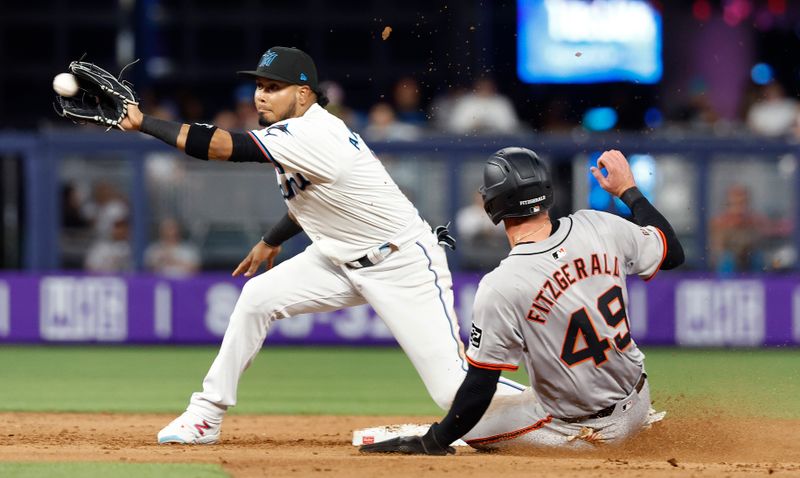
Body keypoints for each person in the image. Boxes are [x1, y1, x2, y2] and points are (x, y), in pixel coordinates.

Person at [117, 46, 530, 444]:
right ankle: (206, 415)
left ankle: (554, 408)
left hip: (400, 263)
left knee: (452, 388)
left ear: (303, 94)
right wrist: (269, 240)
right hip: (338, 256)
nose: (261, 94)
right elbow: (312, 202)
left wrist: (144, 123)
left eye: (273, 86)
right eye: (259, 85)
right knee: (258, 297)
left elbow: (221, 146)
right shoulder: (295, 132)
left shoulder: (312, 133)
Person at [361, 148, 685, 454]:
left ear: (492, 206)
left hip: (584, 430)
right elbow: (672, 252)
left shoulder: (503, 284)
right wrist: (629, 189)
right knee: (527, 395)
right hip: (640, 401)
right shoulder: (599, 225)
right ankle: (639, 421)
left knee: (468, 426)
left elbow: (479, 386)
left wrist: (435, 440)